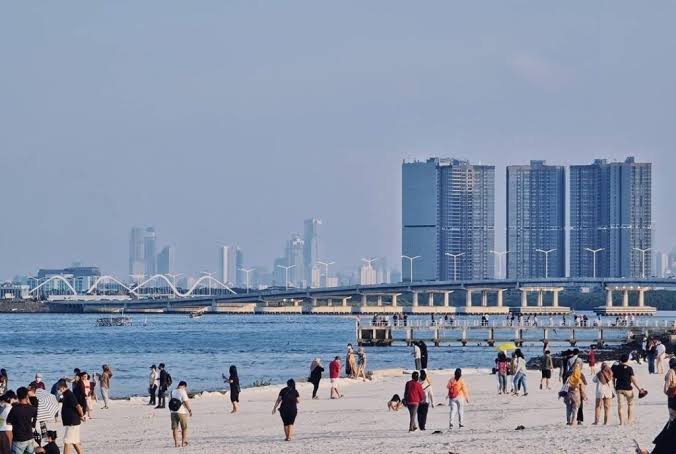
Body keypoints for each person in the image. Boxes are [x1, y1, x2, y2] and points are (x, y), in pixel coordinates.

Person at [612, 353, 646, 425]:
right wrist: (639, 389)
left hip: (619, 388)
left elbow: (613, 379)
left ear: (620, 360)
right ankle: (629, 420)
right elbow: (633, 380)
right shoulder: (629, 368)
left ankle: (621, 422)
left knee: (620, 405)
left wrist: (614, 387)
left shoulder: (616, 368)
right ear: (627, 360)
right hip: (628, 388)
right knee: (630, 404)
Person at [7, 387, 37, 454]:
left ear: (17, 396)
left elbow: (8, 422)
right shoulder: (32, 408)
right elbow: (34, 418)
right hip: (30, 437)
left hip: (19, 438)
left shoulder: (14, 409)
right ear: (27, 396)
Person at [58, 380, 83, 454]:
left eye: (59, 388)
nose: (58, 390)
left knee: (67, 441)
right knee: (75, 441)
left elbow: (77, 406)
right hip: (72, 422)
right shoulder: (65, 394)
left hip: (72, 422)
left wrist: (82, 415)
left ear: (62, 387)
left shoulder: (69, 394)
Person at [563, 361, 587, 425]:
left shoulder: (568, 374)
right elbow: (583, 385)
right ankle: (574, 421)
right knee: (575, 409)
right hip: (576, 394)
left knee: (568, 408)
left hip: (568, 394)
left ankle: (568, 421)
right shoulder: (580, 375)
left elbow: (564, 383)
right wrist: (584, 395)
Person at [169, 381, 192, 448]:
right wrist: (190, 410)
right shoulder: (182, 391)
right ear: (184, 386)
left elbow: (169, 403)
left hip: (173, 413)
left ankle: (176, 443)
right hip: (182, 412)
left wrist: (171, 411)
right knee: (184, 428)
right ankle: (183, 443)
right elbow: (186, 402)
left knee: (175, 429)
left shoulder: (172, 392)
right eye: (185, 388)